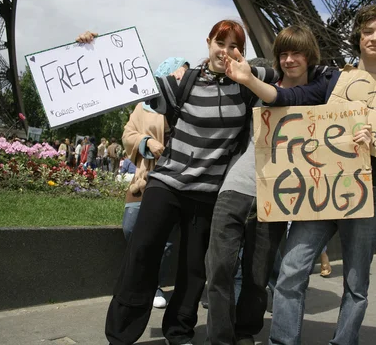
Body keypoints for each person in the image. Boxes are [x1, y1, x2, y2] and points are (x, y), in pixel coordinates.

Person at [78, 20, 271, 345]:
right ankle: (120, 334)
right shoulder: (187, 81)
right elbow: (133, 84)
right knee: (141, 253)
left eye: (233, 46)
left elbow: (291, 80)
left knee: (193, 269)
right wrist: (97, 50)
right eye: (220, 43)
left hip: (208, 194)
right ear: (208, 42)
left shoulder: (246, 84)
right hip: (166, 183)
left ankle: (179, 331)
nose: (225, 51)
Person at [225, 4, 376, 345]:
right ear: (358, 37)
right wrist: (247, 80)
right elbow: (290, 95)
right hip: (321, 187)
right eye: (368, 31)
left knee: (356, 284)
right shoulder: (335, 80)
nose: (374, 38)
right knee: (290, 271)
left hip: (368, 191)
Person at [206, 27, 336, 345]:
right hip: (238, 183)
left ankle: (245, 330)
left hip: (277, 192)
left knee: (258, 270)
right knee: (220, 264)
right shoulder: (261, 80)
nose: (289, 60)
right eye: (284, 54)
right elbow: (218, 77)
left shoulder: (320, 92)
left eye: (297, 53)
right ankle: (220, 338)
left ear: (310, 56)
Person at [121, 57, 188, 310]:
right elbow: (128, 134)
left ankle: (155, 284)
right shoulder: (143, 107)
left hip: (174, 180)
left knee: (168, 239)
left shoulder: (189, 105)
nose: (182, 79)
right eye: (178, 74)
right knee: (131, 227)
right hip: (144, 177)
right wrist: (146, 142)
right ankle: (142, 278)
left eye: (185, 76)